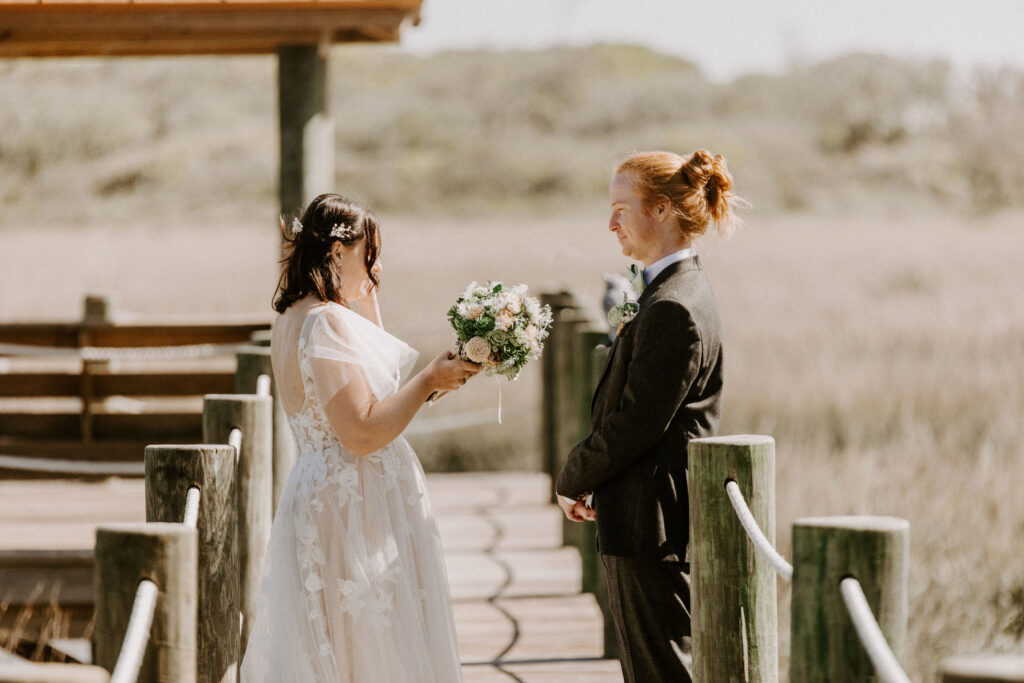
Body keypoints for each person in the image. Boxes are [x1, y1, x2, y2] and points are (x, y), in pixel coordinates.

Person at [240, 193, 480, 682]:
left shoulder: (293, 318)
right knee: (368, 649)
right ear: (336, 252)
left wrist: (369, 299)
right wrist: (429, 381)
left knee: (345, 645)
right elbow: (362, 432)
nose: (376, 266)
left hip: (322, 492)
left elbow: (376, 391)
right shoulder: (326, 322)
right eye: (368, 253)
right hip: (354, 505)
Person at [555, 150, 739, 683]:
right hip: (643, 519)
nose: (610, 223)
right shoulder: (666, 292)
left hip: (653, 525)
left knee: (660, 673)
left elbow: (635, 423)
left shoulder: (674, 307)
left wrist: (573, 478)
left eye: (621, 208)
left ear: (661, 210)